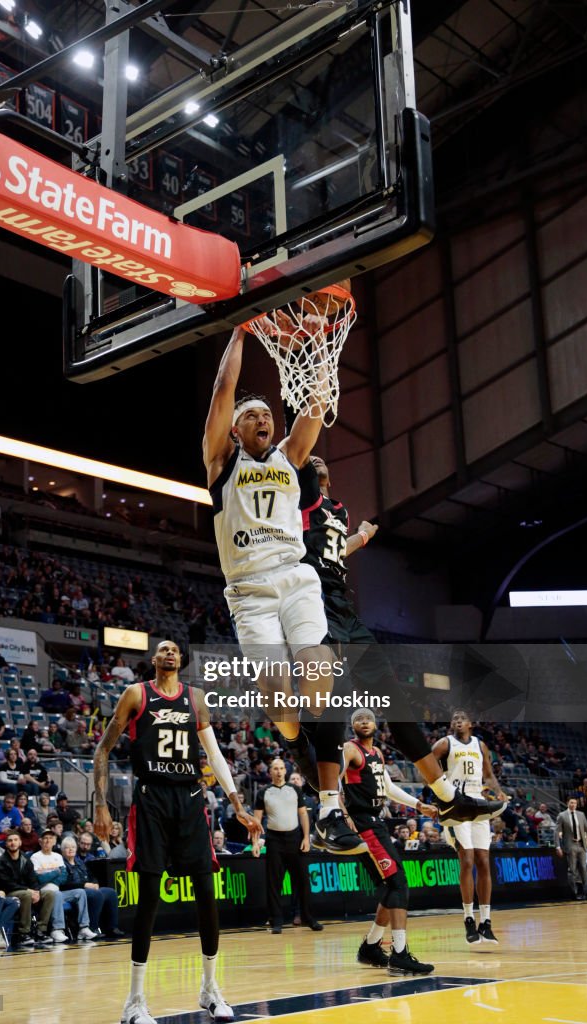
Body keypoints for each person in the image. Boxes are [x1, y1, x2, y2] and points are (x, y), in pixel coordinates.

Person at [203, 323, 361, 855]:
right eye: (252, 416)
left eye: (267, 415)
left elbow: (315, 407)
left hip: (295, 580)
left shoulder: (290, 458)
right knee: (279, 706)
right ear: (235, 430)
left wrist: (320, 350)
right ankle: (294, 744)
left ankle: (330, 806)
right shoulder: (223, 464)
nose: (263, 419)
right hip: (248, 590)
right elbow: (223, 392)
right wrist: (241, 335)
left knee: (320, 683)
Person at [295, 452, 506, 831]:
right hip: (315, 606)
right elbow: (301, 455)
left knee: (395, 699)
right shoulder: (301, 496)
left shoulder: (338, 509)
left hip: (345, 610)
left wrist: (360, 536)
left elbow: (335, 550)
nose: (317, 459)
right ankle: (328, 807)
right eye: (311, 457)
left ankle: (446, 797)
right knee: (335, 701)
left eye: (322, 457)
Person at [93, 638, 262, 1024]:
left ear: (181, 661)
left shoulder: (196, 697)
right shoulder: (136, 694)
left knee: (206, 892)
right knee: (150, 897)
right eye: (163, 649)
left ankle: (210, 988)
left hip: (189, 801)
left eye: (175, 650)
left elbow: (214, 753)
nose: (169, 653)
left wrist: (237, 804)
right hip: (151, 800)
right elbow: (103, 748)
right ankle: (135, 1001)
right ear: (154, 659)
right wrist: (100, 803)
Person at [342, 709, 436, 976]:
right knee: (398, 882)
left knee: (390, 885)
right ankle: (399, 954)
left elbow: (388, 788)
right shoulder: (350, 749)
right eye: (358, 719)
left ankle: (371, 947)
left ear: (375, 724)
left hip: (375, 821)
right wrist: (343, 813)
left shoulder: (378, 754)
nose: (364, 721)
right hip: (362, 823)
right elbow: (332, 780)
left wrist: (418, 804)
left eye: (368, 718)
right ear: (353, 726)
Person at [432, 709, 509, 946]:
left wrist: (498, 792)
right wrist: (441, 792)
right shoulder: (444, 744)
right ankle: (468, 919)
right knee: (466, 859)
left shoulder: (480, 745)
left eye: (461, 719)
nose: (457, 721)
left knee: (484, 861)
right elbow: (424, 765)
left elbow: (488, 774)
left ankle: (485, 922)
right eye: (454, 719)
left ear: (470, 724)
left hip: (478, 803)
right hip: (455, 804)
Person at [252, 757, 323, 934]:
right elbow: (256, 821)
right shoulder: (263, 792)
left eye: (281, 768)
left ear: (285, 771)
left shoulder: (295, 790)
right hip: (274, 840)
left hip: (295, 839)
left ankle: (308, 917)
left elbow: (303, 815)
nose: (278, 771)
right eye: (275, 768)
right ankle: (276, 920)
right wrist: (255, 842)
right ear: (270, 772)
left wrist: (306, 837)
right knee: (274, 883)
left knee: (303, 882)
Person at [0, 829, 60, 946]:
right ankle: (24, 933)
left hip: (27, 891)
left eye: (15, 840)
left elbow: (33, 879)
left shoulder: (26, 859)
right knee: (26, 895)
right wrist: (28, 890)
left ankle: (41, 930)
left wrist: (37, 892)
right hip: (9, 892)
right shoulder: (1, 862)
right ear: (6, 844)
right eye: (10, 841)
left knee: (49, 894)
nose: (13, 843)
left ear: (20, 842)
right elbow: (7, 884)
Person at [30, 830, 97, 941]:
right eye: (45, 838)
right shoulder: (35, 857)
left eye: (50, 838)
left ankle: (83, 928)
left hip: (58, 891)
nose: (48, 841)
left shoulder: (58, 856)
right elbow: (39, 879)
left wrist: (48, 874)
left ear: (54, 841)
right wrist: (56, 872)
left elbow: (64, 877)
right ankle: (57, 930)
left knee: (80, 892)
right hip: (43, 893)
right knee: (56, 894)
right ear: (40, 841)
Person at [59, 835, 124, 938]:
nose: (71, 849)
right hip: (75, 891)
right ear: (62, 850)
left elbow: (91, 876)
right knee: (96, 894)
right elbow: (63, 884)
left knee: (111, 892)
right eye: (67, 847)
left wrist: (95, 883)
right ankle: (92, 928)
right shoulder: (61, 863)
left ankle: (112, 928)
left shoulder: (79, 862)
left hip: (87, 889)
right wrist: (84, 885)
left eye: (73, 847)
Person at [556, 797, 587, 901]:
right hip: (570, 844)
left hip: (581, 844)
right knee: (573, 870)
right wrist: (557, 846)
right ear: (567, 803)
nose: (573, 805)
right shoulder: (562, 815)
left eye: (575, 803)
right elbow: (556, 832)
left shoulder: (581, 815)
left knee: (584, 869)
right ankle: (574, 893)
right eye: (571, 803)